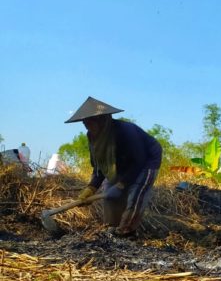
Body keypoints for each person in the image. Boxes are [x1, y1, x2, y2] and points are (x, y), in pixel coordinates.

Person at [66, 96, 162, 236]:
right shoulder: (93, 137)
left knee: (135, 194)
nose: (87, 125)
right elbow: (99, 167)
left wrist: (121, 185)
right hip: (120, 164)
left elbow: (137, 161)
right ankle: (112, 227)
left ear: (102, 120)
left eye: (90, 122)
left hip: (146, 161)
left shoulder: (125, 131)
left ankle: (126, 231)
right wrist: (91, 188)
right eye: (84, 122)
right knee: (110, 197)